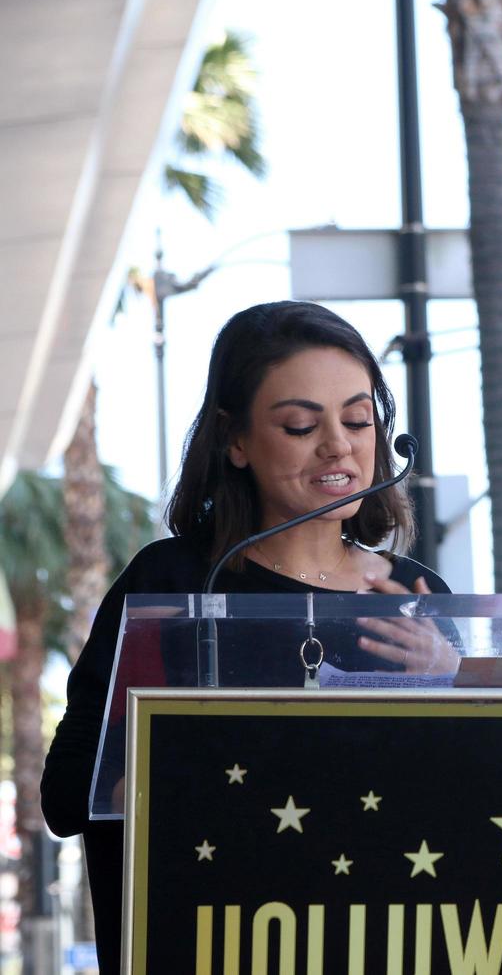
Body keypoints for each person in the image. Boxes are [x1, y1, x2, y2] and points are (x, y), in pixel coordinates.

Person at [39, 301, 457, 974]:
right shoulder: (176, 583)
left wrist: (455, 679)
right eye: (300, 425)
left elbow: (461, 799)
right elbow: (67, 792)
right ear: (235, 441)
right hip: (213, 940)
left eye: (357, 419)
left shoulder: (415, 596)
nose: (339, 446)